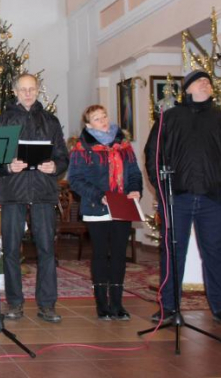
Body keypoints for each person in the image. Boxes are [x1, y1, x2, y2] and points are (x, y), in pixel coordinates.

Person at [144, 70, 221, 327]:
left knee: (215, 253)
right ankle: (168, 307)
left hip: (213, 199)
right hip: (177, 198)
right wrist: (162, 188)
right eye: (200, 81)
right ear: (187, 88)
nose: (206, 84)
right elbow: (153, 155)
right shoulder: (170, 118)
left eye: (208, 81)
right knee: (172, 253)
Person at [0, 73, 69, 323]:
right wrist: (7, 166)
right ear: (15, 91)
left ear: (37, 90)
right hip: (13, 192)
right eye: (23, 89)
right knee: (11, 249)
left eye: (32, 89)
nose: (28, 93)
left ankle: (47, 304)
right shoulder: (2, 121)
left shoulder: (50, 121)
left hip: (43, 192)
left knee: (47, 249)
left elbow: (62, 156)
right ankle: (14, 302)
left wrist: (55, 166)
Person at [68, 105, 142, 320]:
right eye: (97, 118)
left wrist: (135, 189)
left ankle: (117, 304)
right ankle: (102, 305)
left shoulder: (123, 144)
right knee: (101, 254)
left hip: (122, 205)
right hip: (97, 207)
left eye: (104, 116)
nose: (103, 121)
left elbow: (134, 172)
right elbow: (75, 180)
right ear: (88, 124)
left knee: (119, 254)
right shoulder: (82, 147)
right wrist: (99, 195)